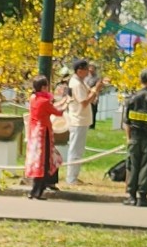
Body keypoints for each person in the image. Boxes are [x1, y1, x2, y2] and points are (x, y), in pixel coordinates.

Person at [121, 67, 147, 207]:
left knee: (132, 165)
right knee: (146, 166)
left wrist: (128, 138)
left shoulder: (131, 98)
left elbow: (126, 121)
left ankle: (131, 196)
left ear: (140, 80)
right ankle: (142, 197)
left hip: (134, 136)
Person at [62, 59, 99, 187]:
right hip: (78, 120)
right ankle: (71, 178)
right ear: (79, 71)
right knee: (75, 150)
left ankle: (74, 176)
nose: (88, 72)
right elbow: (84, 102)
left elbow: (89, 93)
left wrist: (96, 89)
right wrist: (95, 91)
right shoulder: (76, 84)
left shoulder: (80, 82)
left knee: (78, 149)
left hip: (81, 120)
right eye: (86, 70)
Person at [23, 75, 62, 200]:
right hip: (43, 134)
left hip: (34, 132)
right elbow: (57, 112)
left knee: (38, 162)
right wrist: (67, 103)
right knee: (43, 163)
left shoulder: (33, 98)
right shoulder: (44, 101)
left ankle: (37, 189)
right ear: (43, 87)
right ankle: (37, 190)